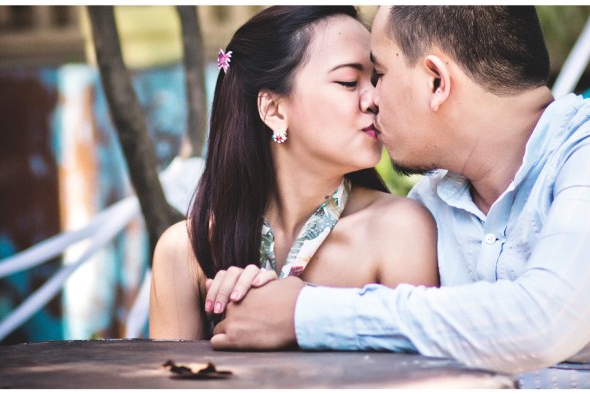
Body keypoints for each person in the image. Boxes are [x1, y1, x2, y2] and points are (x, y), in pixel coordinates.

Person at [210, 6, 590, 389]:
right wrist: (256, 291)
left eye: (378, 74)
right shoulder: (431, 206)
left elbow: (539, 323)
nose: (371, 99)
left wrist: (303, 313)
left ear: (437, 81)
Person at [149, 6, 439, 340]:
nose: (374, 99)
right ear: (273, 110)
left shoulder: (400, 230)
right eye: (348, 81)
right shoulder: (185, 252)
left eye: (375, 78)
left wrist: (298, 318)